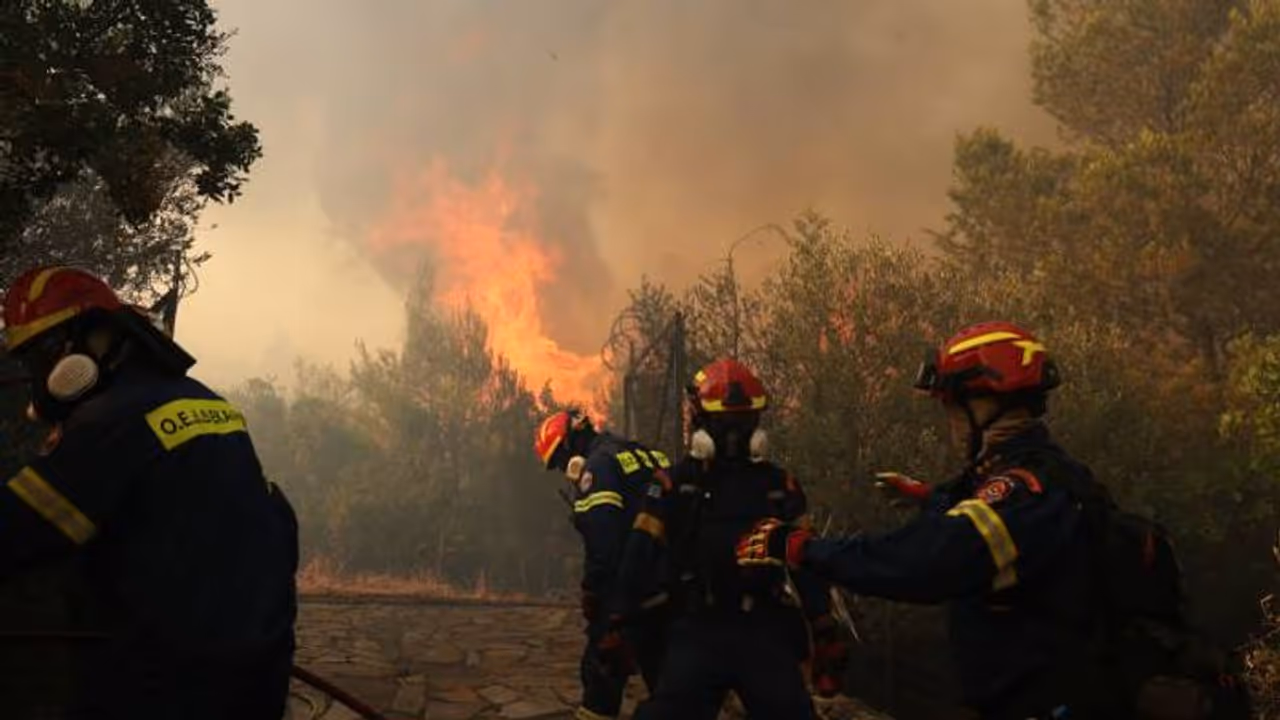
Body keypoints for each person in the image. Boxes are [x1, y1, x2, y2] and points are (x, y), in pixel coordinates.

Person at [0, 266, 299, 720]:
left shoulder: (112, 421)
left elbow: (17, 531)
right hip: (260, 672)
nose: (40, 373)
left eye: (43, 352)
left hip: (172, 683)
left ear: (97, 338)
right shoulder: (204, 400)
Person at [620, 358, 850, 720]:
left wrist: (823, 625)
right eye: (727, 423)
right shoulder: (674, 484)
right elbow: (638, 559)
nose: (734, 434)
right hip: (698, 628)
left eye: (743, 422)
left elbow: (805, 561)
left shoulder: (776, 485)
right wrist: (621, 624)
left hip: (758, 631)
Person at [534, 408, 669, 720]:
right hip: (669, 591)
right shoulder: (646, 454)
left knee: (601, 680)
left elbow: (604, 544)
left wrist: (593, 594)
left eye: (559, 459)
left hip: (626, 595)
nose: (561, 468)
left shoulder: (598, 468)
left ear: (571, 442)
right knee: (669, 688)